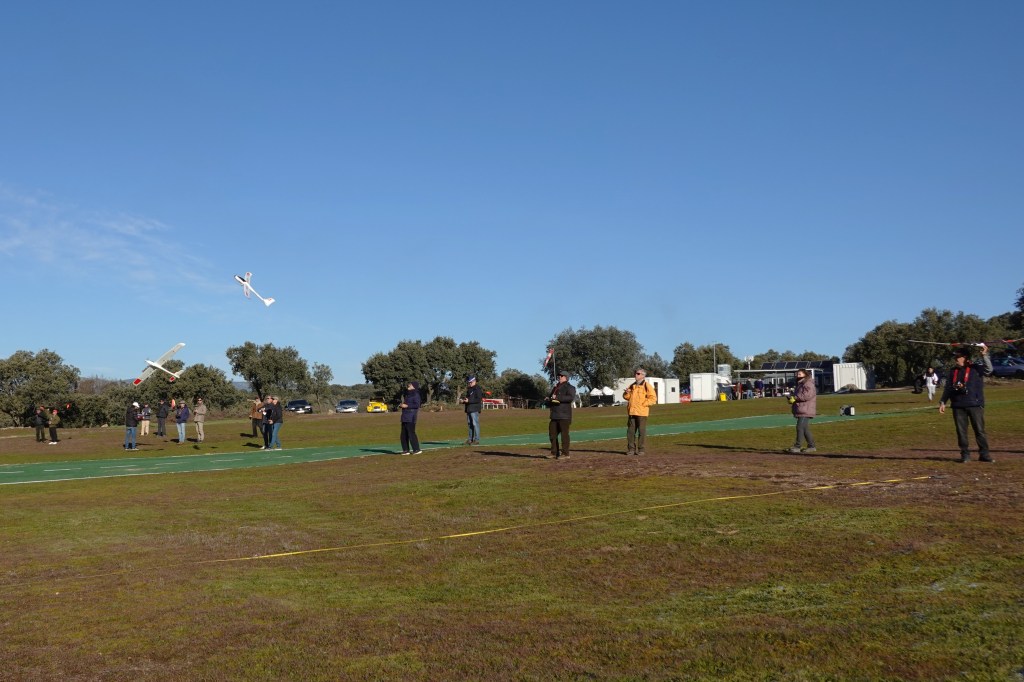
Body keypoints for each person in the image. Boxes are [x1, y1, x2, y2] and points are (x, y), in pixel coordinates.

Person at [939, 345, 994, 463]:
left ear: (965, 357)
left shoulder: (976, 368)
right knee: (961, 432)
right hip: (957, 405)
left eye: (958, 357)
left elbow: (989, 370)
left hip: (975, 404)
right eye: (955, 357)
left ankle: (984, 454)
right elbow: (948, 388)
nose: (955, 359)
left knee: (979, 430)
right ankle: (965, 454)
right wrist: (943, 401)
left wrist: (984, 355)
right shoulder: (953, 371)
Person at [623, 368, 658, 456]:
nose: (636, 375)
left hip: (642, 413)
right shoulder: (632, 385)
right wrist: (626, 393)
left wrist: (644, 404)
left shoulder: (647, 386)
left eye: (638, 373)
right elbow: (627, 397)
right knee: (630, 432)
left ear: (643, 376)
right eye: (635, 373)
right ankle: (631, 450)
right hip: (632, 412)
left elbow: (653, 398)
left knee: (641, 432)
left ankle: (641, 450)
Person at [547, 369, 577, 459]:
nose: (559, 377)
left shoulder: (570, 387)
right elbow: (552, 398)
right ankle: (554, 452)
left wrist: (557, 397)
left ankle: (565, 453)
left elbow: (570, 398)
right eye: (559, 376)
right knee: (552, 434)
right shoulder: (555, 387)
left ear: (566, 377)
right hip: (554, 415)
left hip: (564, 415)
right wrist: (548, 399)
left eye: (561, 376)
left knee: (564, 435)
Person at [787, 370, 817, 453]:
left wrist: (795, 398)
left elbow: (807, 395)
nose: (798, 375)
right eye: (797, 374)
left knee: (799, 427)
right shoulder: (800, 384)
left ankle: (797, 446)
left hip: (806, 409)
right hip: (802, 408)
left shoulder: (808, 383)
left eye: (800, 374)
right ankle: (811, 446)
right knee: (805, 429)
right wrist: (791, 398)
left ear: (805, 374)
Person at [399, 381, 423, 455]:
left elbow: (417, 405)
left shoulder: (416, 394)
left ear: (414, 386)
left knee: (411, 433)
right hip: (405, 416)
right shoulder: (408, 394)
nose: (408, 385)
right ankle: (406, 450)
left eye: (410, 384)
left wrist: (407, 406)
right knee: (403, 434)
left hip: (411, 416)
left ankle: (417, 449)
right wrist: (402, 405)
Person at [460, 375, 483, 444]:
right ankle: (470, 439)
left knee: (475, 424)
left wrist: (469, 400)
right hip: (469, 409)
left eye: (471, 382)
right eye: (469, 382)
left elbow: (478, 399)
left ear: (474, 381)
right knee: (470, 424)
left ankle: (477, 439)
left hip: (474, 409)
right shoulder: (469, 389)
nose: (469, 383)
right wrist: (463, 401)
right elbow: (467, 398)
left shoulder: (477, 389)